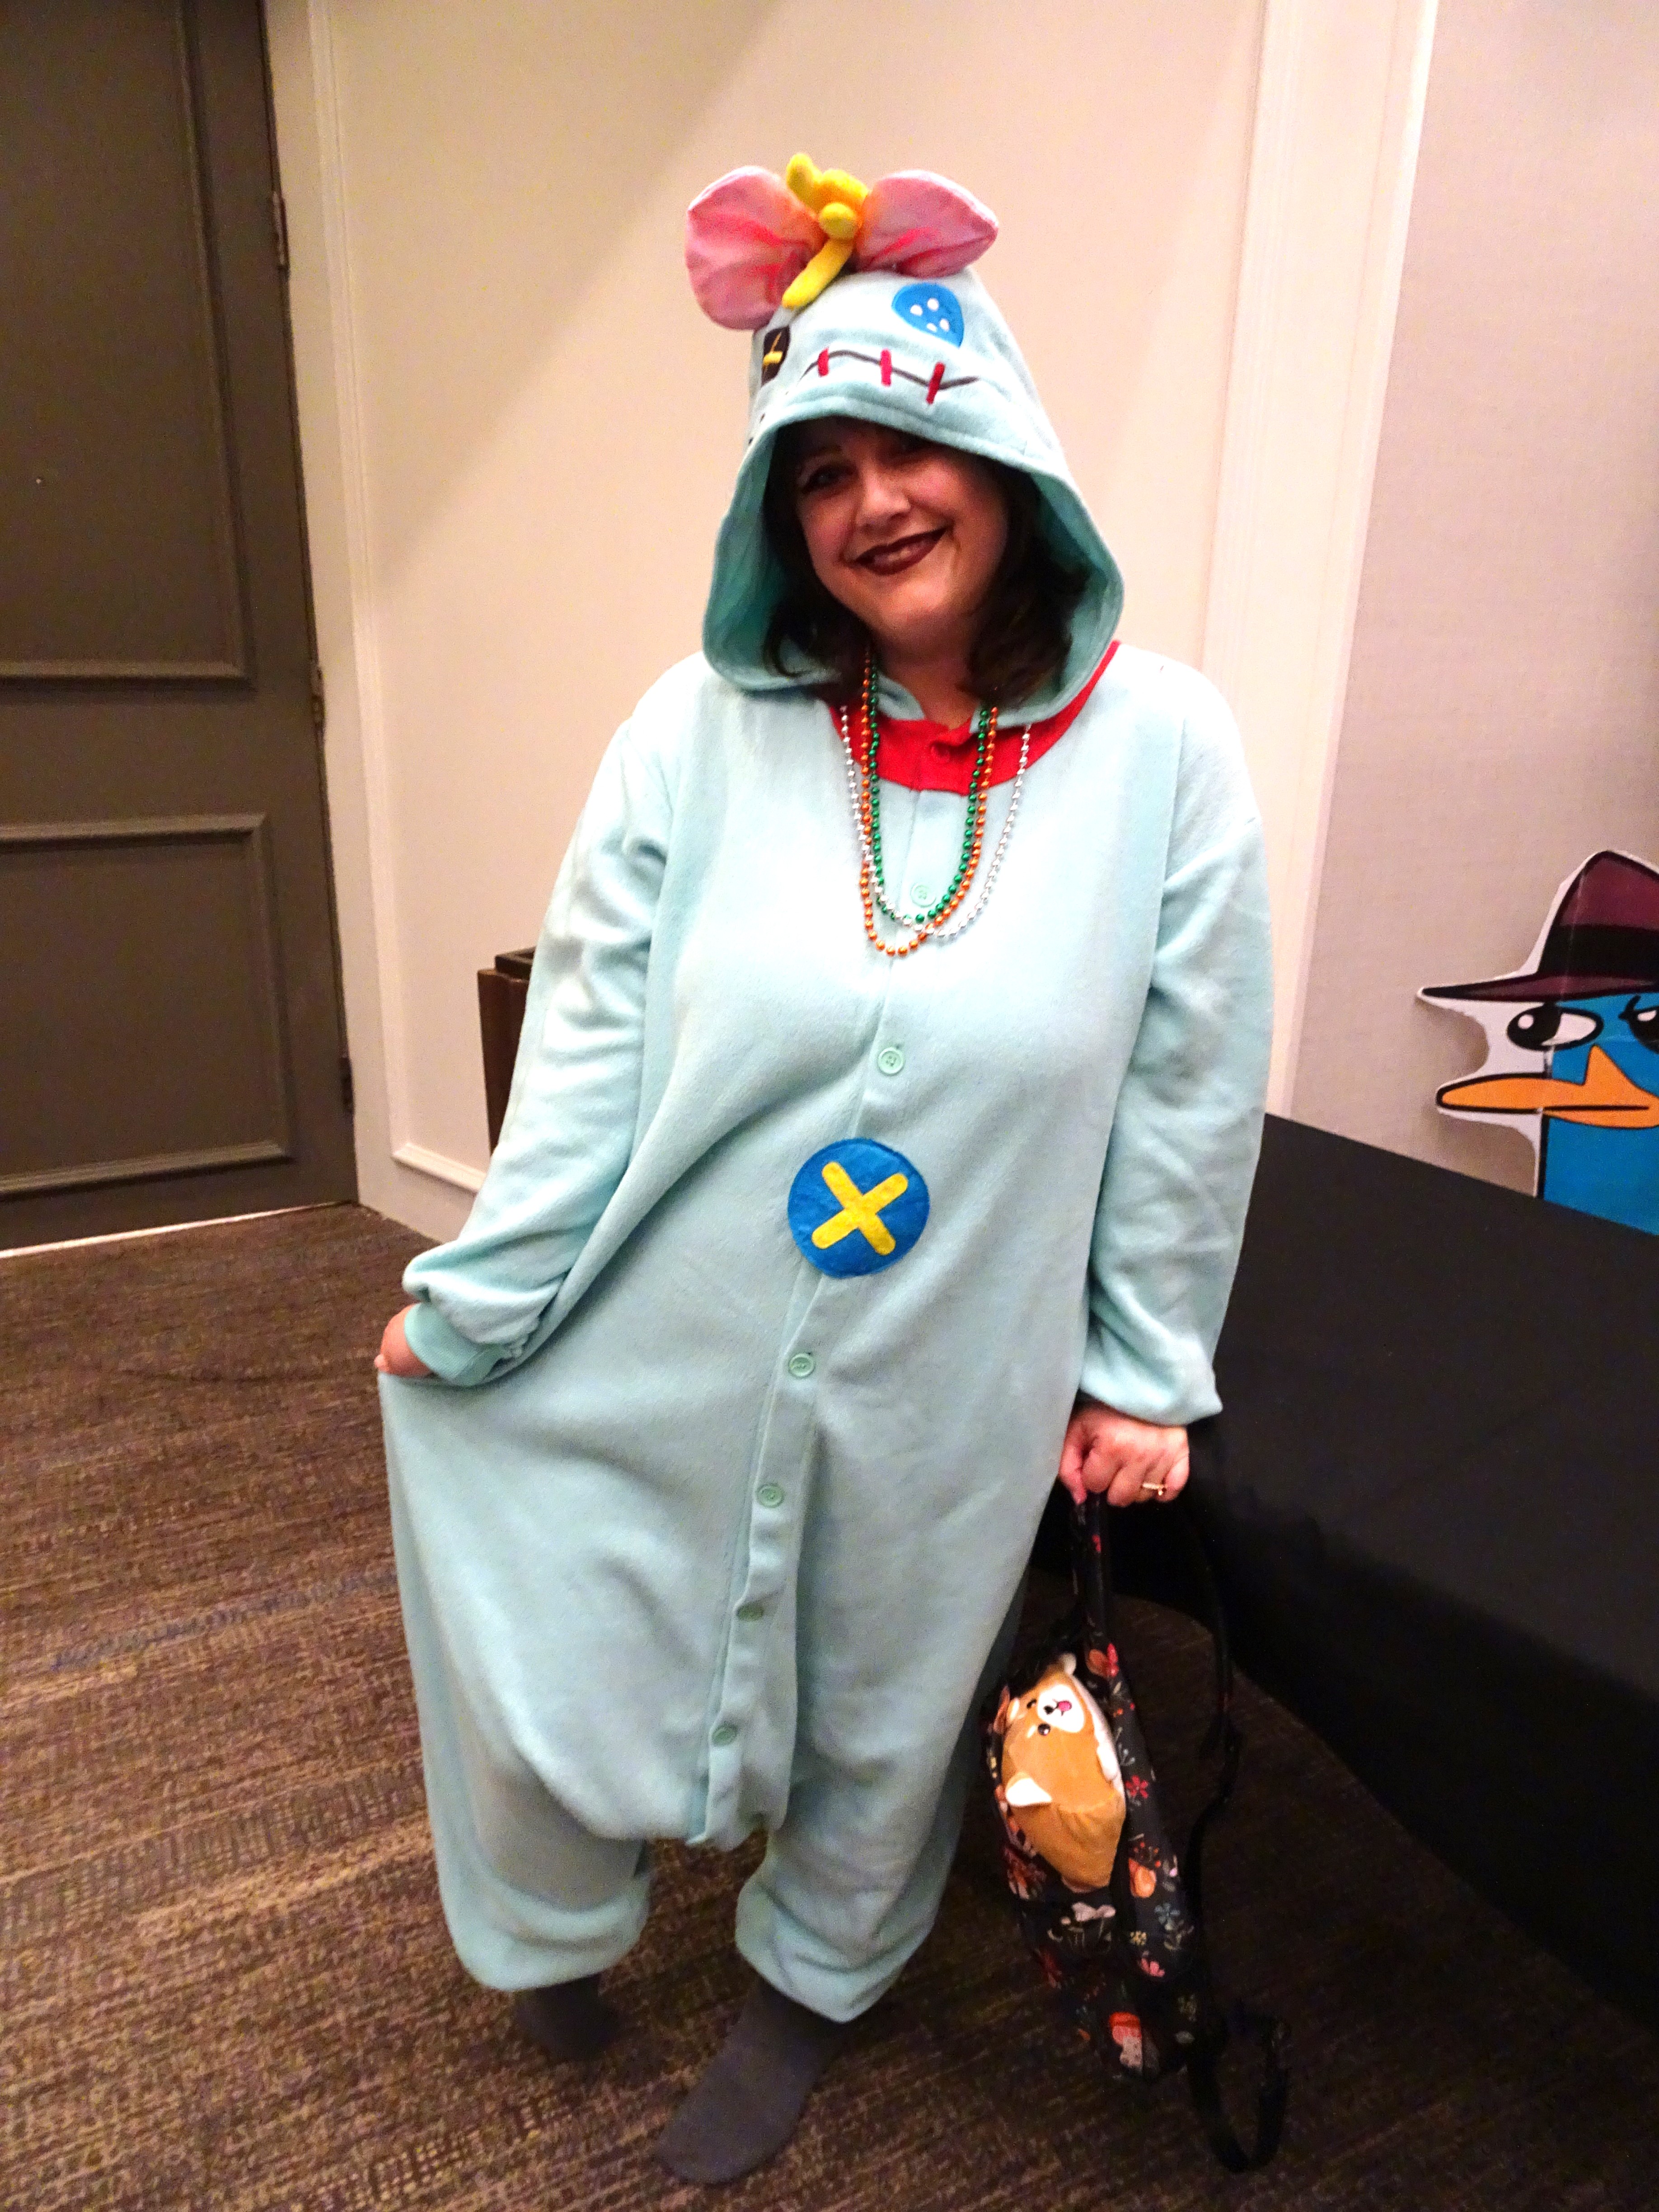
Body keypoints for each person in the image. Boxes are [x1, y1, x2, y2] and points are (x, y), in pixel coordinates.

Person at [375, 156, 1272, 2187]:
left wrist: (1145, 1365)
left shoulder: (1168, 749)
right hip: (674, 1301)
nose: (873, 502)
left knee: (886, 1690)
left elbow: (1192, 1084)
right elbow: (589, 1043)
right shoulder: (697, 730)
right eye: (819, 472)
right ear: (777, 521)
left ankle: (808, 1984)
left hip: (957, 1350)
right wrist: (481, 1298)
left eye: (910, 447)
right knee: (565, 1585)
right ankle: (551, 1918)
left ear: (1006, 456)